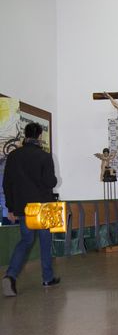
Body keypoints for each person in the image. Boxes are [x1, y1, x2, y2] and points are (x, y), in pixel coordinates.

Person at [2, 122, 60, 296]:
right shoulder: (44, 156)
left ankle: (10, 276)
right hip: (41, 207)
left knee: (25, 241)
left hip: (22, 207)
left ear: (25, 135)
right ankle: (47, 278)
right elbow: (51, 182)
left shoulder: (13, 156)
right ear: (39, 136)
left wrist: (10, 208)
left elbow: (7, 184)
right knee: (45, 241)